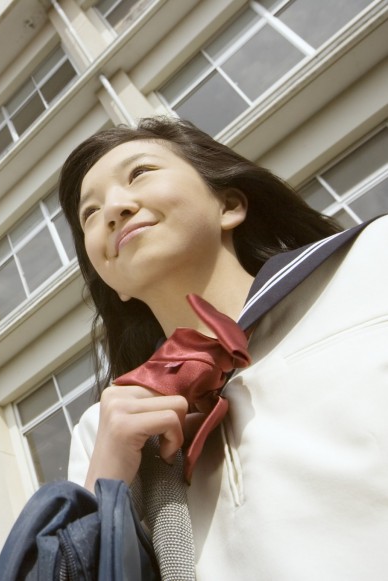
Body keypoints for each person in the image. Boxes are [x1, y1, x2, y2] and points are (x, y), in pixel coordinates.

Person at [59, 117, 388, 580]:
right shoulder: (102, 428)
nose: (113, 208)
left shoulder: (373, 264)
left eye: (140, 173)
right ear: (113, 283)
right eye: (89, 214)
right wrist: (105, 488)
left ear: (229, 205)